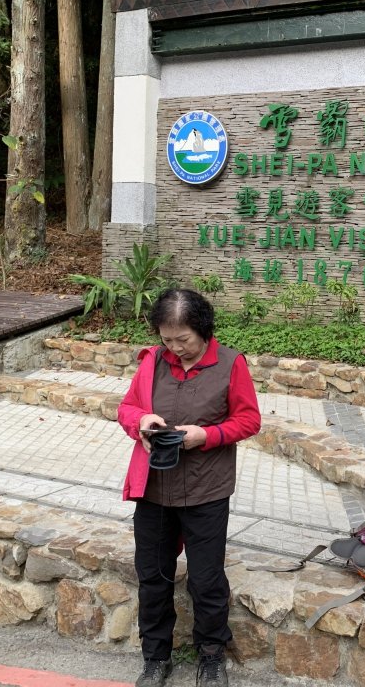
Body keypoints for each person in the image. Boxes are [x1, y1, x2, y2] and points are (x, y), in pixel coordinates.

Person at [118, 288, 261, 687]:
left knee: (206, 578)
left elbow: (249, 420)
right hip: (155, 487)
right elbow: (126, 408)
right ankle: (155, 657)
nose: (176, 348)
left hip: (206, 489)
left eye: (184, 340)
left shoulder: (231, 363)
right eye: (167, 339)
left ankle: (212, 656)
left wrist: (207, 435)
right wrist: (141, 421)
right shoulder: (152, 363)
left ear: (203, 330)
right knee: (152, 574)